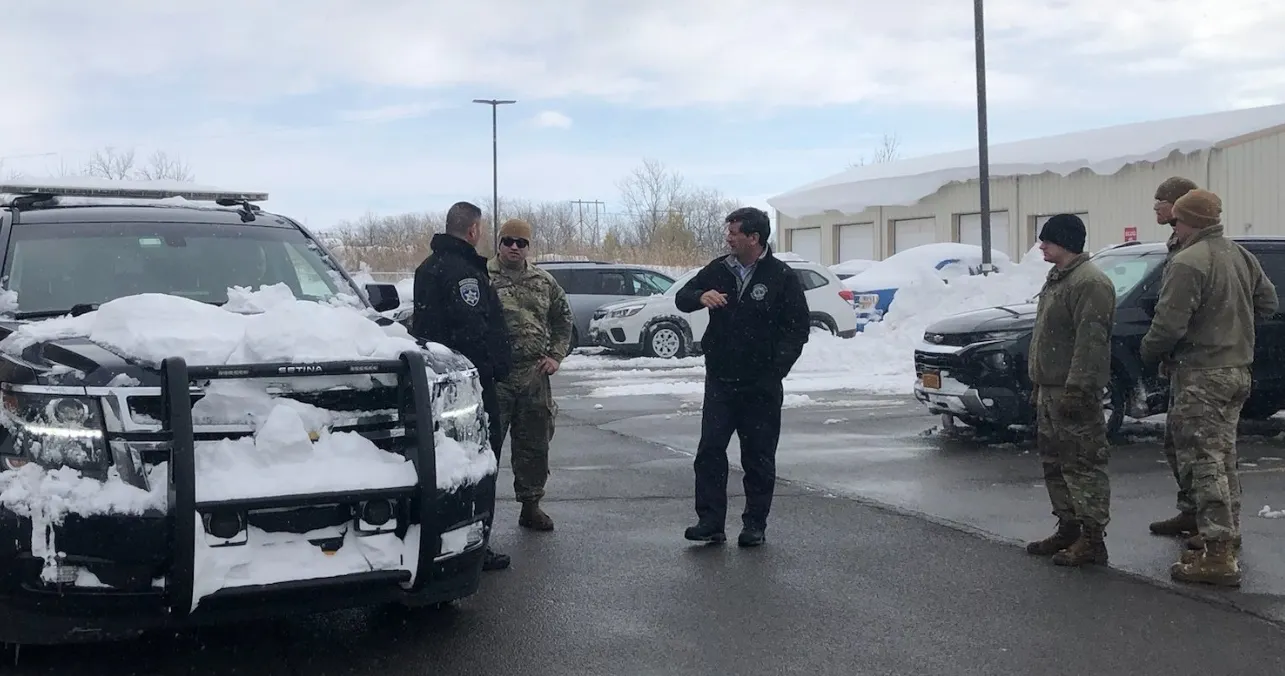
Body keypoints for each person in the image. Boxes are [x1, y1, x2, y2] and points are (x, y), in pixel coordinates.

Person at [1139, 188, 1278, 587]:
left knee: (1204, 461)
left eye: (1178, 220)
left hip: (1202, 374)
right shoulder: (1239, 255)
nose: (1173, 225)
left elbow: (1169, 325)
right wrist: (1232, 322)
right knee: (1223, 456)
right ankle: (1226, 536)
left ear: (1193, 222)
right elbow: (1267, 303)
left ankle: (1217, 554)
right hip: (1237, 370)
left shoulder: (1189, 262)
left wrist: (1150, 352)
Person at [674, 206, 810, 547]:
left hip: (761, 385)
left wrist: (775, 369)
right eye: (728, 232)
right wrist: (699, 296)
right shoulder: (718, 270)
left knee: (758, 456)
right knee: (710, 452)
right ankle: (710, 522)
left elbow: (797, 330)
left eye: (734, 232)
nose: (728, 237)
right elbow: (681, 298)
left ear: (754, 237)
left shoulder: (781, 276)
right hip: (721, 380)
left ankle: (754, 525)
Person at [410, 201, 514, 572]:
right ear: (473, 230)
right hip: (470, 388)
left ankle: (447, 539)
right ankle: (473, 544)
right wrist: (493, 368)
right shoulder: (463, 272)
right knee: (479, 464)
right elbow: (473, 329)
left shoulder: (427, 267)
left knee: (448, 463)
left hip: (438, 384)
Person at [1023, 214, 1117, 567]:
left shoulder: (1090, 283)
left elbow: (1091, 344)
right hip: (1050, 389)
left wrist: (1078, 390)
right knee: (1055, 462)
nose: (1041, 246)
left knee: (1082, 464)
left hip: (1072, 389)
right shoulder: (1059, 279)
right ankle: (1069, 526)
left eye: (1047, 240)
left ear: (1065, 242)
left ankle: (1092, 538)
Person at [487, 218, 574, 531]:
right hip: (496, 376)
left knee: (534, 446)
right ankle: (480, 512)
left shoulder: (543, 281)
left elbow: (564, 320)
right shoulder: (483, 277)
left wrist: (555, 355)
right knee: (487, 446)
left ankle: (531, 505)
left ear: (528, 247)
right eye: (508, 241)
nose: (514, 247)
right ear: (499, 243)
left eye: (521, 243)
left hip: (533, 375)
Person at [1146, 177, 1206, 550]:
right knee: (1176, 443)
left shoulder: (1198, 251)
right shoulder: (1176, 245)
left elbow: (1179, 311)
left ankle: (1213, 524)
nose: (1155, 208)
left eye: (1161, 202)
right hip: (1182, 363)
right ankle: (1191, 510)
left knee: (1204, 450)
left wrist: (1154, 346)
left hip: (1204, 364)